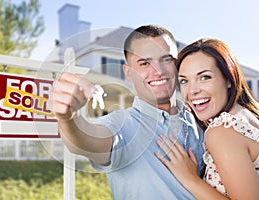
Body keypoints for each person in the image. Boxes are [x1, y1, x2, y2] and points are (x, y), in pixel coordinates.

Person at [51, 24, 205, 199]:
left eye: (167, 59)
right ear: (128, 72)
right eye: (145, 63)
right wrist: (69, 118)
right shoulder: (121, 124)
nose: (158, 71)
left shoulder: (199, 119)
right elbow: (86, 141)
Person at [155, 38, 259, 200]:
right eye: (184, 81)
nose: (192, 91)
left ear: (228, 79)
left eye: (205, 77)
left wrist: (190, 179)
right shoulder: (247, 116)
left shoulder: (223, 132)